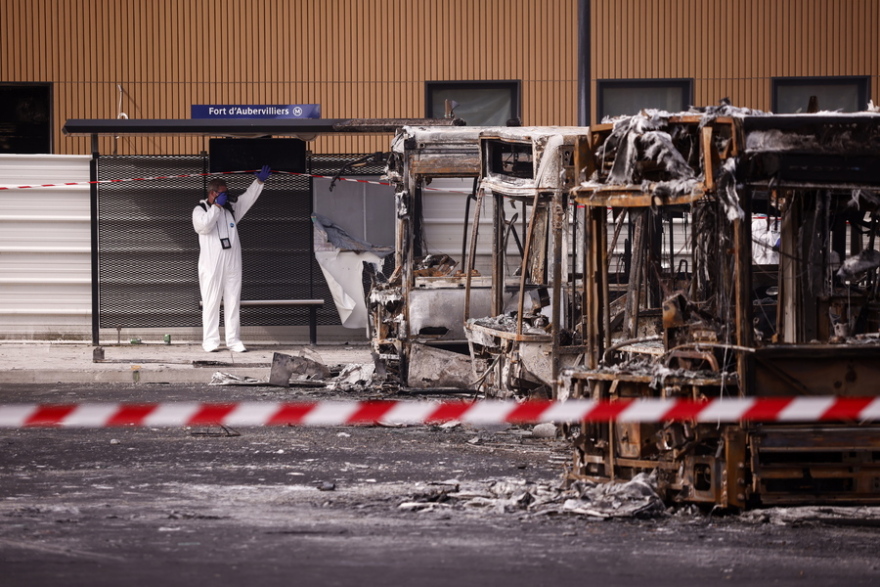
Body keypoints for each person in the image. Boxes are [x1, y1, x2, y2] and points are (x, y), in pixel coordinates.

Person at [192, 165, 271, 352]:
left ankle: (233, 340)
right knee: (211, 303)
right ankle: (210, 342)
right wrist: (216, 207)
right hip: (211, 265)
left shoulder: (231, 210)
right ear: (212, 194)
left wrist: (259, 182)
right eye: (222, 193)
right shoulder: (200, 210)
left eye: (226, 193)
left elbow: (247, 199)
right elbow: (204, 226)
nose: (226, 196)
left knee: (233, 301)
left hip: (232, 263)